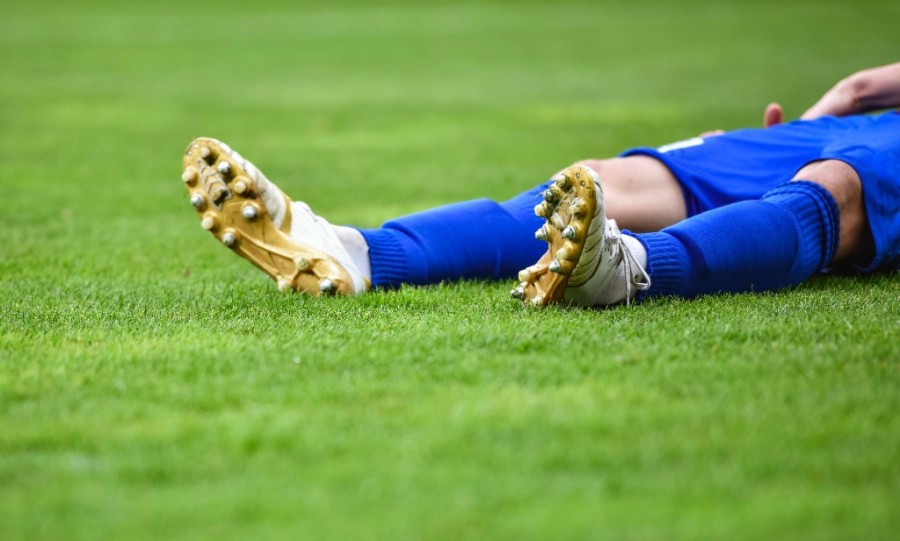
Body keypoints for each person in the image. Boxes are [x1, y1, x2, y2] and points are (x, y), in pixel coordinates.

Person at [180, 63, 900, 307]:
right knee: (596, 181)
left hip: (874, 129)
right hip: (859, 114)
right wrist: (845, 97)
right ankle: (351, 250)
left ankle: (629, 269)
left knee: (836, 193)